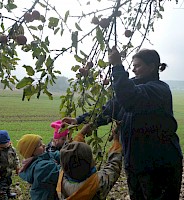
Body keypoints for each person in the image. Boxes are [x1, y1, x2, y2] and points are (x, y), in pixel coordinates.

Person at [62, 47, 183, 200]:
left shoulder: (158, 90)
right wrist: (78, 120)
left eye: (138, 65)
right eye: (132, 66)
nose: (134, 69)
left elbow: (129, 97)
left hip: (159, 166)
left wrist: (118, 67)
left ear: (152, 67)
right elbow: (108, 111)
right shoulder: (134, 87)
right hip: (135, 164)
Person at [56, 123, 122, 200]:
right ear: (90, 165)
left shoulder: (62, 179)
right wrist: (116, 142)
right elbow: (114, 166)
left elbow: (71, 156)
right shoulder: (97, 184)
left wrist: (81, 134)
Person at [16, 134, 61, 200]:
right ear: (32, 152)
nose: (43, 145)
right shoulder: (41, 167)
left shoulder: (43, 157)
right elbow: (61, 173)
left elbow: (56, 155)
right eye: (39, 145)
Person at [0, 130, 20, 200]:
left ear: (9, 142)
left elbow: (16, 158)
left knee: (8, 182)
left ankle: (8, 193)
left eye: (3, 145)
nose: (1, 147)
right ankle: (2, 196)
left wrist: (17, 167)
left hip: (8, 172)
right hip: (0, 173)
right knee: (1, 186)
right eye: (0, 146)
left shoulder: (12, 150)